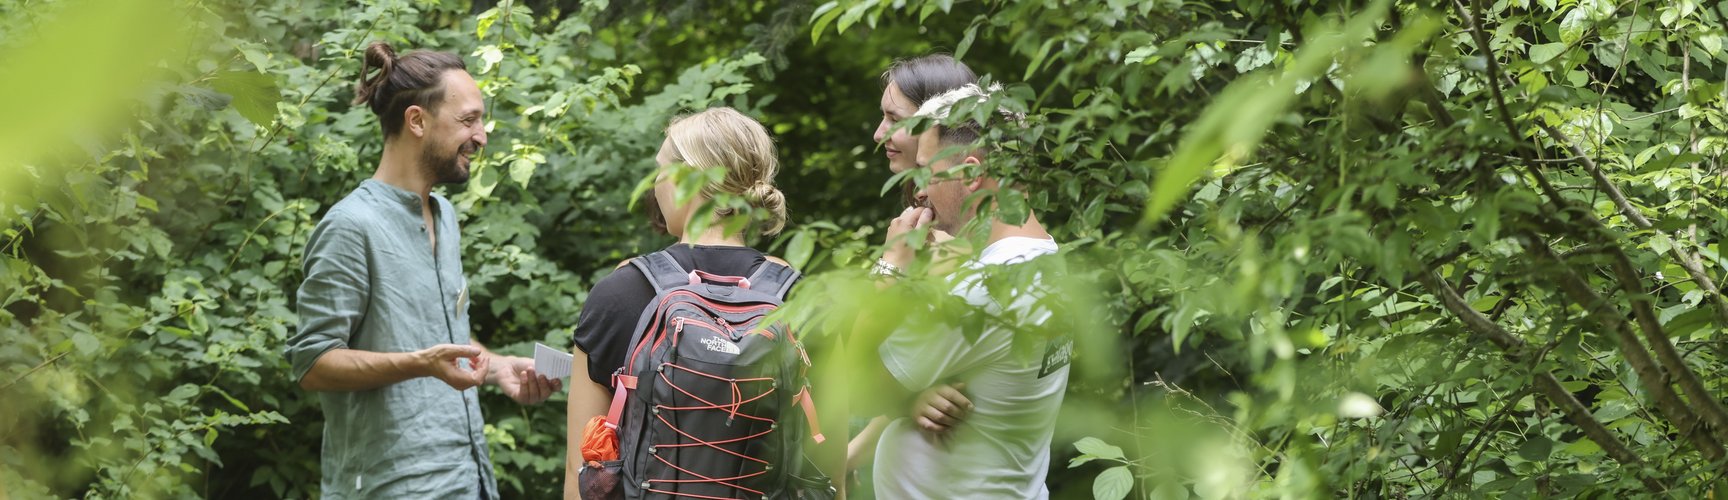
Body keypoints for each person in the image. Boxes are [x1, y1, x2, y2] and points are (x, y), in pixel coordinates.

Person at [286, 41, 560, 499]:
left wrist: (496, 369)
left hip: (467, 480)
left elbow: (435, 333)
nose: (482, 136)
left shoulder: (445, 216)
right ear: (417, 120)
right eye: (468, 120)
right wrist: (420, 365)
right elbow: (313, 362)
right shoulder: (352, 226)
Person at [564, 107, 826, 498]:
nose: (655, 185)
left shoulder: (619, 295)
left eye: (660, 171)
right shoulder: (800, 301)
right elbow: (825, 469)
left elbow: (582, 473)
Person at [863, 84, 1069, 498]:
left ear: (971, 174)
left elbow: (853, 384)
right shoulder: (1042, 256)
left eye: (927, 172)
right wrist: (911, 396)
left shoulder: (984, 290)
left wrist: (889, 268)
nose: (919, 191)